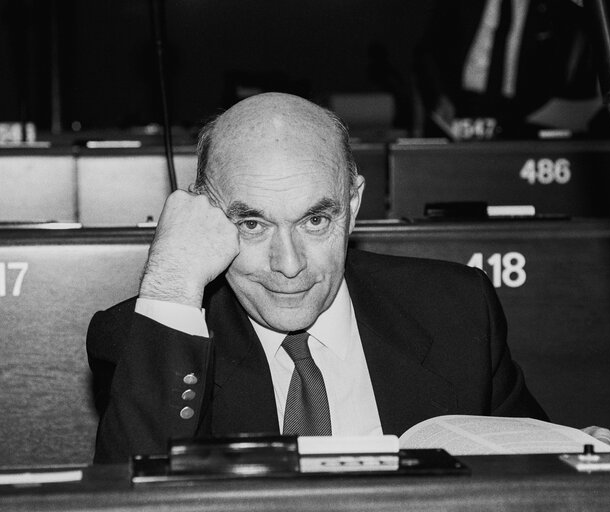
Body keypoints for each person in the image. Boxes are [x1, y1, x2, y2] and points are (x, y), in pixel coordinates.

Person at [87, 92, 553, 463]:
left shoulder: (457, 310)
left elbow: (528, 467)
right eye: (252, 224)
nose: (288, 264)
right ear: (204, 217)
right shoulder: (145, 337)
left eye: (315, 221)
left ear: (352, 207)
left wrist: (573, 461)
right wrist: (171, 284)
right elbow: (125, 497)